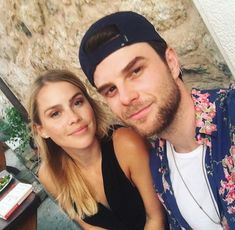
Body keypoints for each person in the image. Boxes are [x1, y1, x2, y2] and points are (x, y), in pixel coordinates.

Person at [79, 11, 235, 229]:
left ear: (171, 62)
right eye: (111, 90)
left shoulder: (232, 116)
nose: (126, 98)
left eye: (135, 71)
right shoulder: (159, 168)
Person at [27, 69, 165, 230]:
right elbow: (90, 227)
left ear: (89, 104)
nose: (74, 118)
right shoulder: (51, 175)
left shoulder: (126, 144)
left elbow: (157, 217)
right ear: (41, 130)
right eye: (55, 113)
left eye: (77, 102)